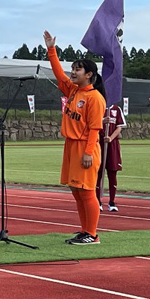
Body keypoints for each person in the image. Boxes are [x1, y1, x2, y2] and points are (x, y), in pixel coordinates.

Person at [44, 30, 106, 245]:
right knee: (76, 191)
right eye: (73, 68)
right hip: (70, 145)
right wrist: (51, 49)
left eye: (77, 69)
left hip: (84, 147)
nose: (73, 72)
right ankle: (85, 230)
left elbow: (94, 128)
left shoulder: (95, 98)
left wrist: (89, 152)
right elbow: (59, 74)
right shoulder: (73, 91)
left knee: (87, 191)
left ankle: (93, 234)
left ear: (88, 74)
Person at [96, 104, 126, 212]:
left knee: (112, 172)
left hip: (112, 145)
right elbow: (91, 123)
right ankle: (98, 201)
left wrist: (110, 138)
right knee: (98, 173)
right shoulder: (97, 106)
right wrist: (102, 121)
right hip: (99, 143)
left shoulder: (116, 109)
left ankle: (112, 202)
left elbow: (120, 126)